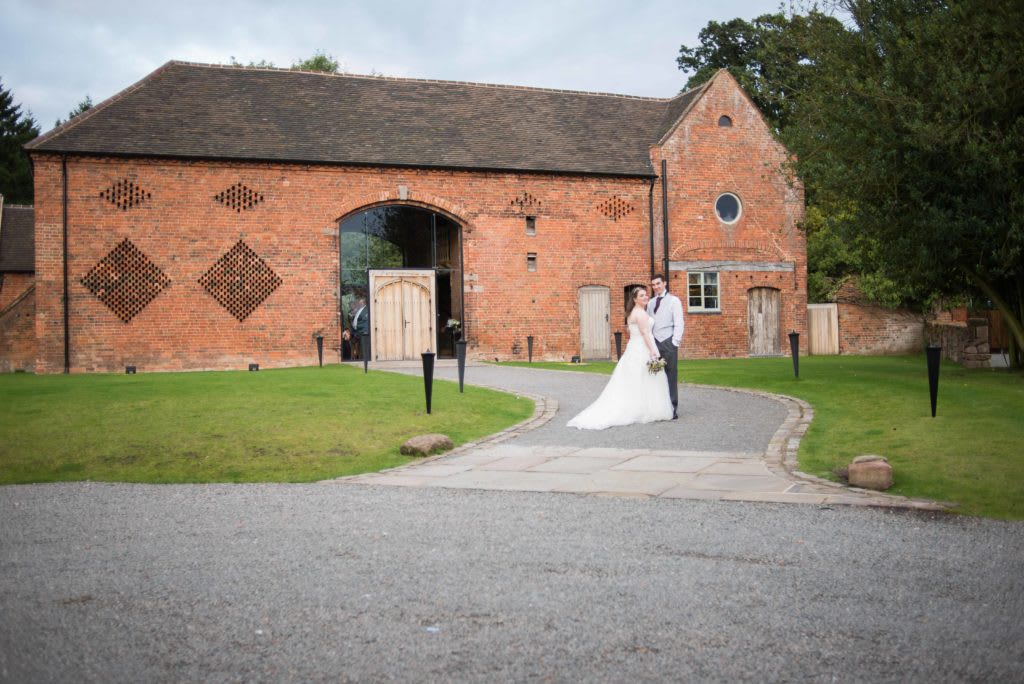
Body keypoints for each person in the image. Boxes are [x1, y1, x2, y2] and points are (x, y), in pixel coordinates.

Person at [567, 287, 674, 430]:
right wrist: (653, 351)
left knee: (636, 378)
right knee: (645, 377)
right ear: (635, 299)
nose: (645, 297)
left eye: (646, 295)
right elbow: (644, 333)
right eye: (641, 295)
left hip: (634, 347)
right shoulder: (640, 313)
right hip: (642, 347)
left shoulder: (632, 313)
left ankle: (640, 406)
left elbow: (631, 331)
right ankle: (646, 409)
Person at [647, 274, 684, 419]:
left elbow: (679, 322)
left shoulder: (674, 301)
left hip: (668, 342)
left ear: (665, 283)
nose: (656, 287)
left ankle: (672, 408)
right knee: (655, 376)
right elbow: (649, 323)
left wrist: (675, 342)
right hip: (654, 343)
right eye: (653, 285)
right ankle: (658, 408)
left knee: (670, 375)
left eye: (658, 283)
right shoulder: (651, 303)